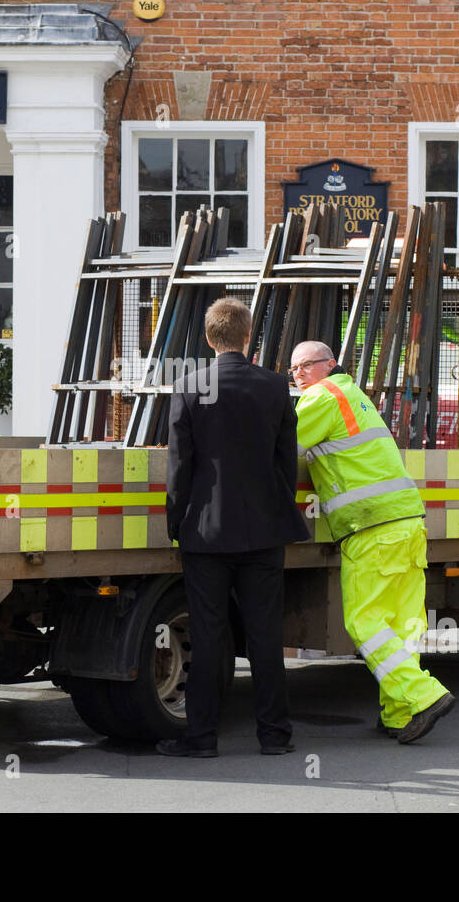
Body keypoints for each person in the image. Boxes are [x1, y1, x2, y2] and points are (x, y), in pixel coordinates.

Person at [160, 297, 309, 757]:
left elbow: (180, 467)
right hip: (264, 533)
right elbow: (287, 462)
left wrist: (175, 524)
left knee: (208, 638)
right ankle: (275, 736)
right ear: (249, 338)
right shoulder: (273, 388)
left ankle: (202, 739)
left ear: (208, 338)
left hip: (206, 534)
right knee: (266, 637)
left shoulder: (189, 387)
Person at [290, 340, 455, 744]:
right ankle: (400, 713)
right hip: (407, 522)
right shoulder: (355, 396)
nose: (298, 376)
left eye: (305, 366)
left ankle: (424, 694)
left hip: (371, 528)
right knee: (400, 627)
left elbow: (283, 444)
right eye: (293, 370)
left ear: (329, 365)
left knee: (363, 623)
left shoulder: (323, 396)